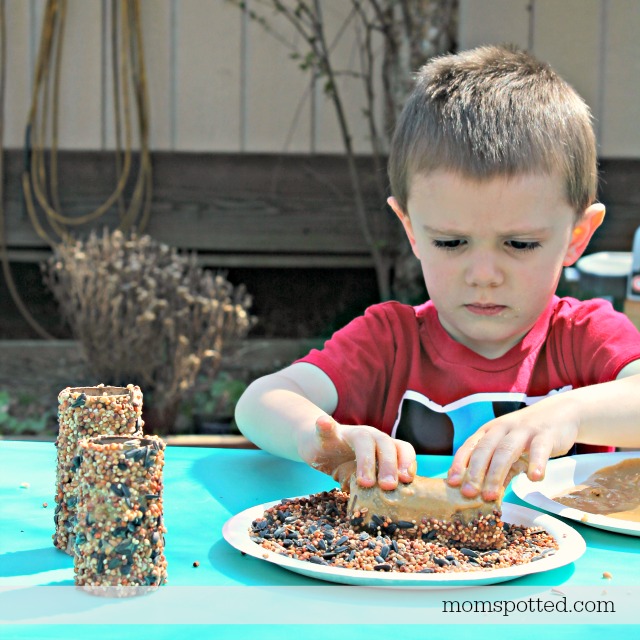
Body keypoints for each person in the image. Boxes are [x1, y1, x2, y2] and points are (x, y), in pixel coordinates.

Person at [235, 44, 640, 502]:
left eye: (520, 244)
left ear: (577, 236)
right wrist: (320, 436)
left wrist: (569, 413)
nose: (484, 274)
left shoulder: (584, 337)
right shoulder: (388, 343)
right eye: (451, 243)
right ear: (410, 230)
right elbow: (259, 401)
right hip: (400, 567)